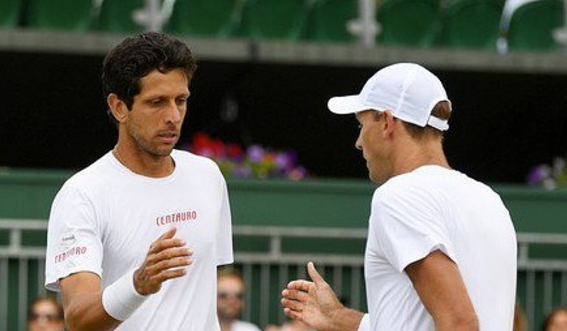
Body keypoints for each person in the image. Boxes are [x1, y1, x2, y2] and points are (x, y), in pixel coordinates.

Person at [281, 63, 518, 331]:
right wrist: (338, 318)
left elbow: (459, 323)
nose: (358, 142)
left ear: (387, 122)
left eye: (360, 124)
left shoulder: (398, 196)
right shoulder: (489, 200)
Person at [44, 31, 233, 331]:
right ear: (119, 107)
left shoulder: (208, 176)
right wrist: (138, 283)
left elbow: (197, 298)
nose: (173, 116)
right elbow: (78, 318)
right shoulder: (82, 194)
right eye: (156, 102)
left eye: (180, 100)